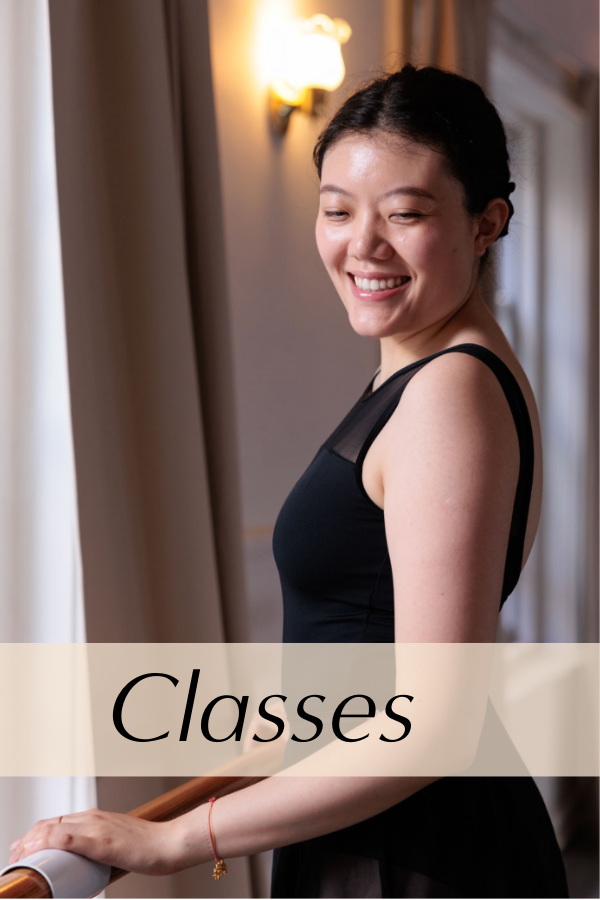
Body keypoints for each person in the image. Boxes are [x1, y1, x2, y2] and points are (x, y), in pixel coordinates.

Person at [8, 64, 568, 898]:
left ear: (488, 222)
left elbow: (434, 726)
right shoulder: (425, 374)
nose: (362, 246)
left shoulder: (452, 389)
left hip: (414, 857)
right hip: (378, 831)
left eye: (405, 213)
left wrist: (170, 842)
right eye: (337, 209)